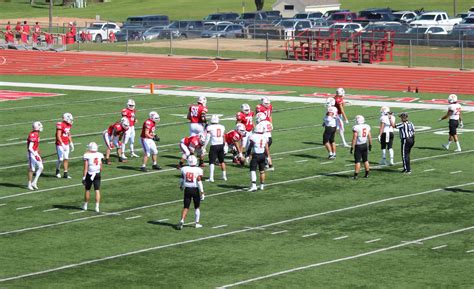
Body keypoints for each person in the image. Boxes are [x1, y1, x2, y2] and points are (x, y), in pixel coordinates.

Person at [176, 155, 205, 230]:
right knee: (197, 207)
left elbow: (182, 178)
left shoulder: (184, 169)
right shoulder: (198, 169)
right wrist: (202, 192)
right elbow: (199, 181)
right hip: (195, 190)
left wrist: (181, 186)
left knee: (186, 207)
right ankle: (196, 223)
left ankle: (182, 220)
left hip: (187, 189)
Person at [246, 125, 271, 191]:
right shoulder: (265, 137)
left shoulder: (253, 136)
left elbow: (250, 146)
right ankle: (262, 185)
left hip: (256, 155)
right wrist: (268, 157)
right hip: (262, 155)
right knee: (262, 171)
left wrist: (247, 155)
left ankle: (254, 185)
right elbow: (266, 148)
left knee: (252, 170)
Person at [82, 142, 104, 213]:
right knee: (97, 190)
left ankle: (85, 205)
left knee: (87, 189)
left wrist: (83, 177)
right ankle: (97, 207)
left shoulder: (87, 155)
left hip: (90, 173)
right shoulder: (100, 154)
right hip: (97, 173)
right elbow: (101, 167)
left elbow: (85, 167)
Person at [205, 115, 226, 182]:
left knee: (211, 162)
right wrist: (224, 145)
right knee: (222, 161)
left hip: (214, 145)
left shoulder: (210, 127)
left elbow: (208, 138)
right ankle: (224, 176)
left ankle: (211, 177)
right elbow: (223, 136)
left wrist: (204, 146)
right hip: (221, 145)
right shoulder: (222, 127)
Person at [350, 115, 372, 179]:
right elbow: (369, 136)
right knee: (365, 160)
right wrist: (370, 144)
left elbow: (354, 138)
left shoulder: (356, 127)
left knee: (357, 161)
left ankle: (356, 175)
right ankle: (367, 174)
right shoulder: (367, 126)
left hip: (358, 146)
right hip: (365, 145)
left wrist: (352, 147)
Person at [55, 113, 74, 179]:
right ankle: (57, 170)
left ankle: (65, 173)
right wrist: (62, 143)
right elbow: (58, 135)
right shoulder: (60, 124)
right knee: (60, 159)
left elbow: (68, 134)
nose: (71, 120)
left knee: (66, 158)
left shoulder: (69, 125)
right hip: (60, 144)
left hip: (66, 143)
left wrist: (71, 142)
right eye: (69, 119)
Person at [27, 121, 44, 190]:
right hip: (31, 154)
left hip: (35, 152)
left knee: (41, 167)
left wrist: (37, 150)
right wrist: (35, 155)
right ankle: (29, 184)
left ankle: (34, 182)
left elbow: (35, 145)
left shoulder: (37, 134)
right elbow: (30, 148)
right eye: (40, 126)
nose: (41, 128)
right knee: (32, 169)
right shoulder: (33, 135)